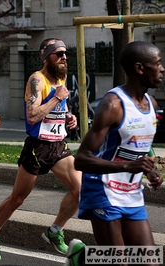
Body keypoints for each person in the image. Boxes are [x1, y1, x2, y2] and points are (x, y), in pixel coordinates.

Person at [0, 38, 81, 261]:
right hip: (37, 148)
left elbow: (58, 109)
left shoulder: (61, 78)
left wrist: (68, 117)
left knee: (81, 189)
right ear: (47, 57)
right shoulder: (37, 79)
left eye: (66, 53)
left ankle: (54, 231)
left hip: (59, 146)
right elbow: (32, 115)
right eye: (59, 54)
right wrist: (57, 98)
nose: (64, 57)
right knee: (17, 199)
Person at [70, 41, 164, 266]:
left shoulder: (150, 103)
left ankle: (83, 258)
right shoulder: (113, 104)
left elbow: (138, 146)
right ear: (139, 68)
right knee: (119, 262)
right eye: (158, 63)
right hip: (103, 188)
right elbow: (81, 159)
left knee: (150, 262)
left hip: (131, 191)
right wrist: (127, 167)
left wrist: (150, 171)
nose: (162, 69)